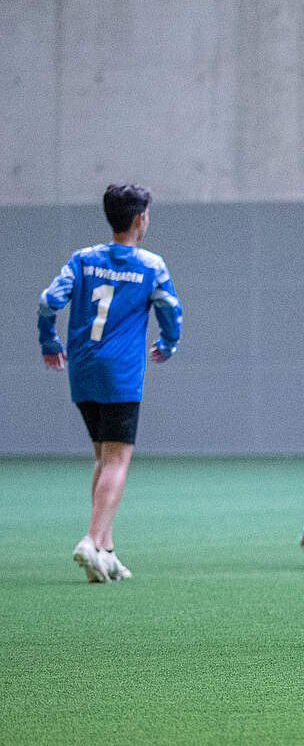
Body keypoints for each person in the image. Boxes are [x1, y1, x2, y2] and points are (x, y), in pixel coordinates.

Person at [38, 184, 183, 583]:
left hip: (82, 368)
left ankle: (106, 550)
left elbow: (50, 300)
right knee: (118, 460)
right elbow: (171, 309)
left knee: (103, 457)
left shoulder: (83, 260)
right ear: (140, 219)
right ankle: (90, 539)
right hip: (120, 373)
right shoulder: (151, 265)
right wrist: (169, 343)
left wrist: (48, 339)